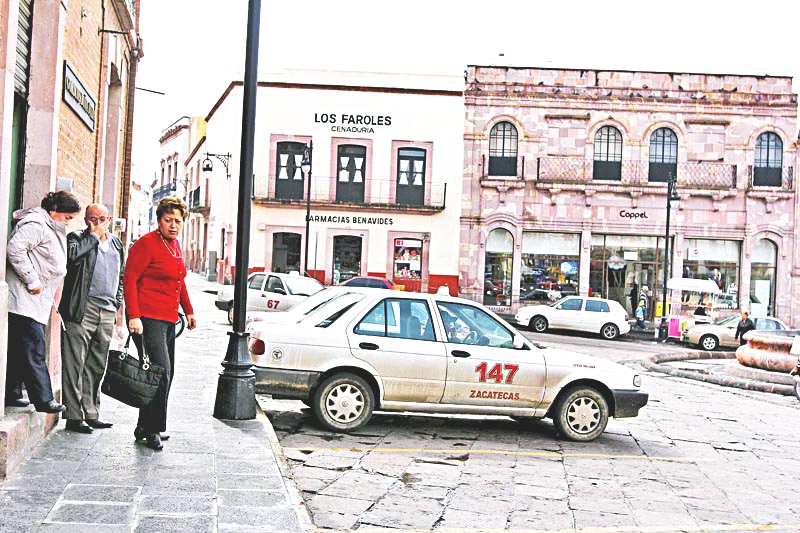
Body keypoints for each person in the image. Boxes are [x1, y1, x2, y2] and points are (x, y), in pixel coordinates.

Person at [124, 197, 196, 450]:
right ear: (159, 220)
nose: (173, 225)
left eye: (178, 221)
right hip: (145, 317)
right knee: (160, 372)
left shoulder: (175, 246)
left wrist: (189, 311)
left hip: (167, 318)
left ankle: (144, 425)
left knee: (164, 373)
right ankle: (153, 429)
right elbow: (130, 278)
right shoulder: (146, 244)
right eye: (168, 220)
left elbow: (180, 281)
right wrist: (133, 315)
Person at [5, 191, 80, 413]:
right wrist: (32, 280)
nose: (68, 223)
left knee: (20, 348)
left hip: (33, 299)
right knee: (34, 348)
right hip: (24, 297)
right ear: (54, 210)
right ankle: (44, 399)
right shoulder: (37, 225)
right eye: (67, 217)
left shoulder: (47, 225)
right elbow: (15, 249)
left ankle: (12, 392)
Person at [59, 204, 125, 434]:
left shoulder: (117, 243)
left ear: (109, 218)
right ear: (85, 220)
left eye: (101, 219)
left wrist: (117, 302)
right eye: (91, 219)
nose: (96, 223)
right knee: (74, 363)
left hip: (106, 311)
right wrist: (94, 237)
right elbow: (73, 257)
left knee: (97, 365)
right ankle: (74, 416)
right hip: (81, 309)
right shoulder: (76, 238)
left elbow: (121, 275)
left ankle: (92, 412)